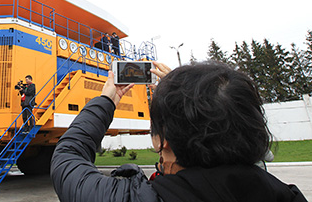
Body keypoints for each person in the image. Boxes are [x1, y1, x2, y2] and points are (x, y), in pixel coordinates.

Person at [51, 61, 307, 202]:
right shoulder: (287, 194)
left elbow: (66, 158)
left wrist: (107, 99)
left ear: (162, 141)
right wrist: (187, 99)